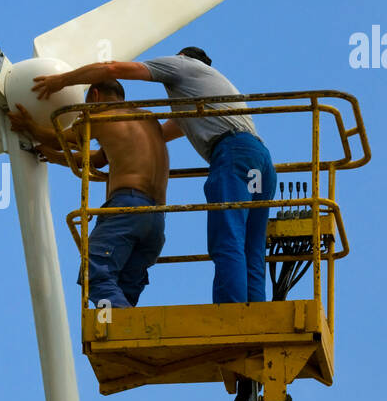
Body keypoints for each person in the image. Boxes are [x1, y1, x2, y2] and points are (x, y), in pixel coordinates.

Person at [32, 47, 277, 305]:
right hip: (259, 161)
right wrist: (50, 154)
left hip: (231, 156)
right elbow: (126, 146)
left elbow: (112, 68)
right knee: (252, 247)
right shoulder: (201, 97)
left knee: (227, 238)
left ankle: (233, 312)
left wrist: (59, 82)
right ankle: (254, 312)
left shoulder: (181, 66)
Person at [9, 81, 168, 309]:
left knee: (93, 277)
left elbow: (60, 138)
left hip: (126, 211)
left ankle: (118, 324)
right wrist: (54, 157)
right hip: (156, 219)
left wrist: (29, 126)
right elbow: (96, 159)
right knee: (124, 286)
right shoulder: (148, 119)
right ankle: (124, 332)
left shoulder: (102, 117)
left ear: (94, 95)